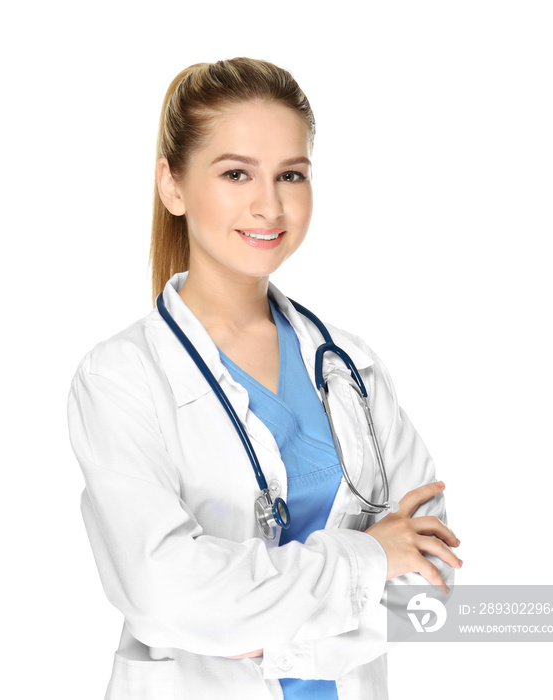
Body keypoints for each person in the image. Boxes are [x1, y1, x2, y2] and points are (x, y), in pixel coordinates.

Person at [67, 57, 462, 700]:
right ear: (171, 185)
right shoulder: (119, 379)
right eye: (236, 173)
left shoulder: (351, 369)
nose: (269, 204)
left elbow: (432, 585)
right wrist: (366, 561)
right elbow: (166, 596)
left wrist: (254, 625)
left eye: (291, 175)